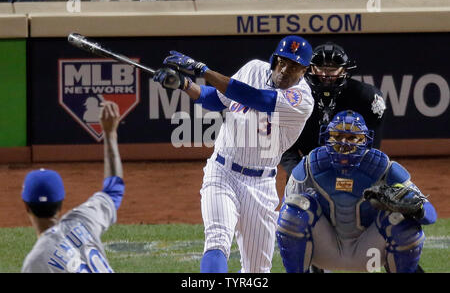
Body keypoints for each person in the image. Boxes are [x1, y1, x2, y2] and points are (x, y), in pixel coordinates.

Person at [153, 35, 314, 272]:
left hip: (261, 186)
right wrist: (185, 85)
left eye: (294, 66)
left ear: (304, 71)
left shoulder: (302, 99)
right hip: (222, 172)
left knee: (257, 270)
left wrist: (202, 70)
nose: (286, 70)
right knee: (217, 239)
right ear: (275, 60)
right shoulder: (253, 69)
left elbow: (256, 98)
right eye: (283, 62)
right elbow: (217, 100)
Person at [276, 110, 437, 273]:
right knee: (295, 209)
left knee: (401, 220)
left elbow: (431, 215)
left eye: (352, 138)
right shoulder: (310, 165)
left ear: (365, 141)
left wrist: (414, 207)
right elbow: (286, 211)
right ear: (327, 138)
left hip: (369, 252)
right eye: (338, 137)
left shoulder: (384, 167)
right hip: (325, 249)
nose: (344, 143)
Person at [21, 101, 124, 273]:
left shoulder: (35, 262)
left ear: (26, 207)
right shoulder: (82, 221)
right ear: (61, 203)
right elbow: (114, 189)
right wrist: (110, 133)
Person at [280, 42, 386, 179]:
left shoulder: (367, 97)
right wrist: (298, 171)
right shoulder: (293, 96)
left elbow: (372, 143)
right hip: (307, 166)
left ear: (344, 70)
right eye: (321, 67)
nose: (326, 74)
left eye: (332, 68)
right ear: (310, 68)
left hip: (353, 164)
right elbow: (283, 143)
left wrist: (363, 171)